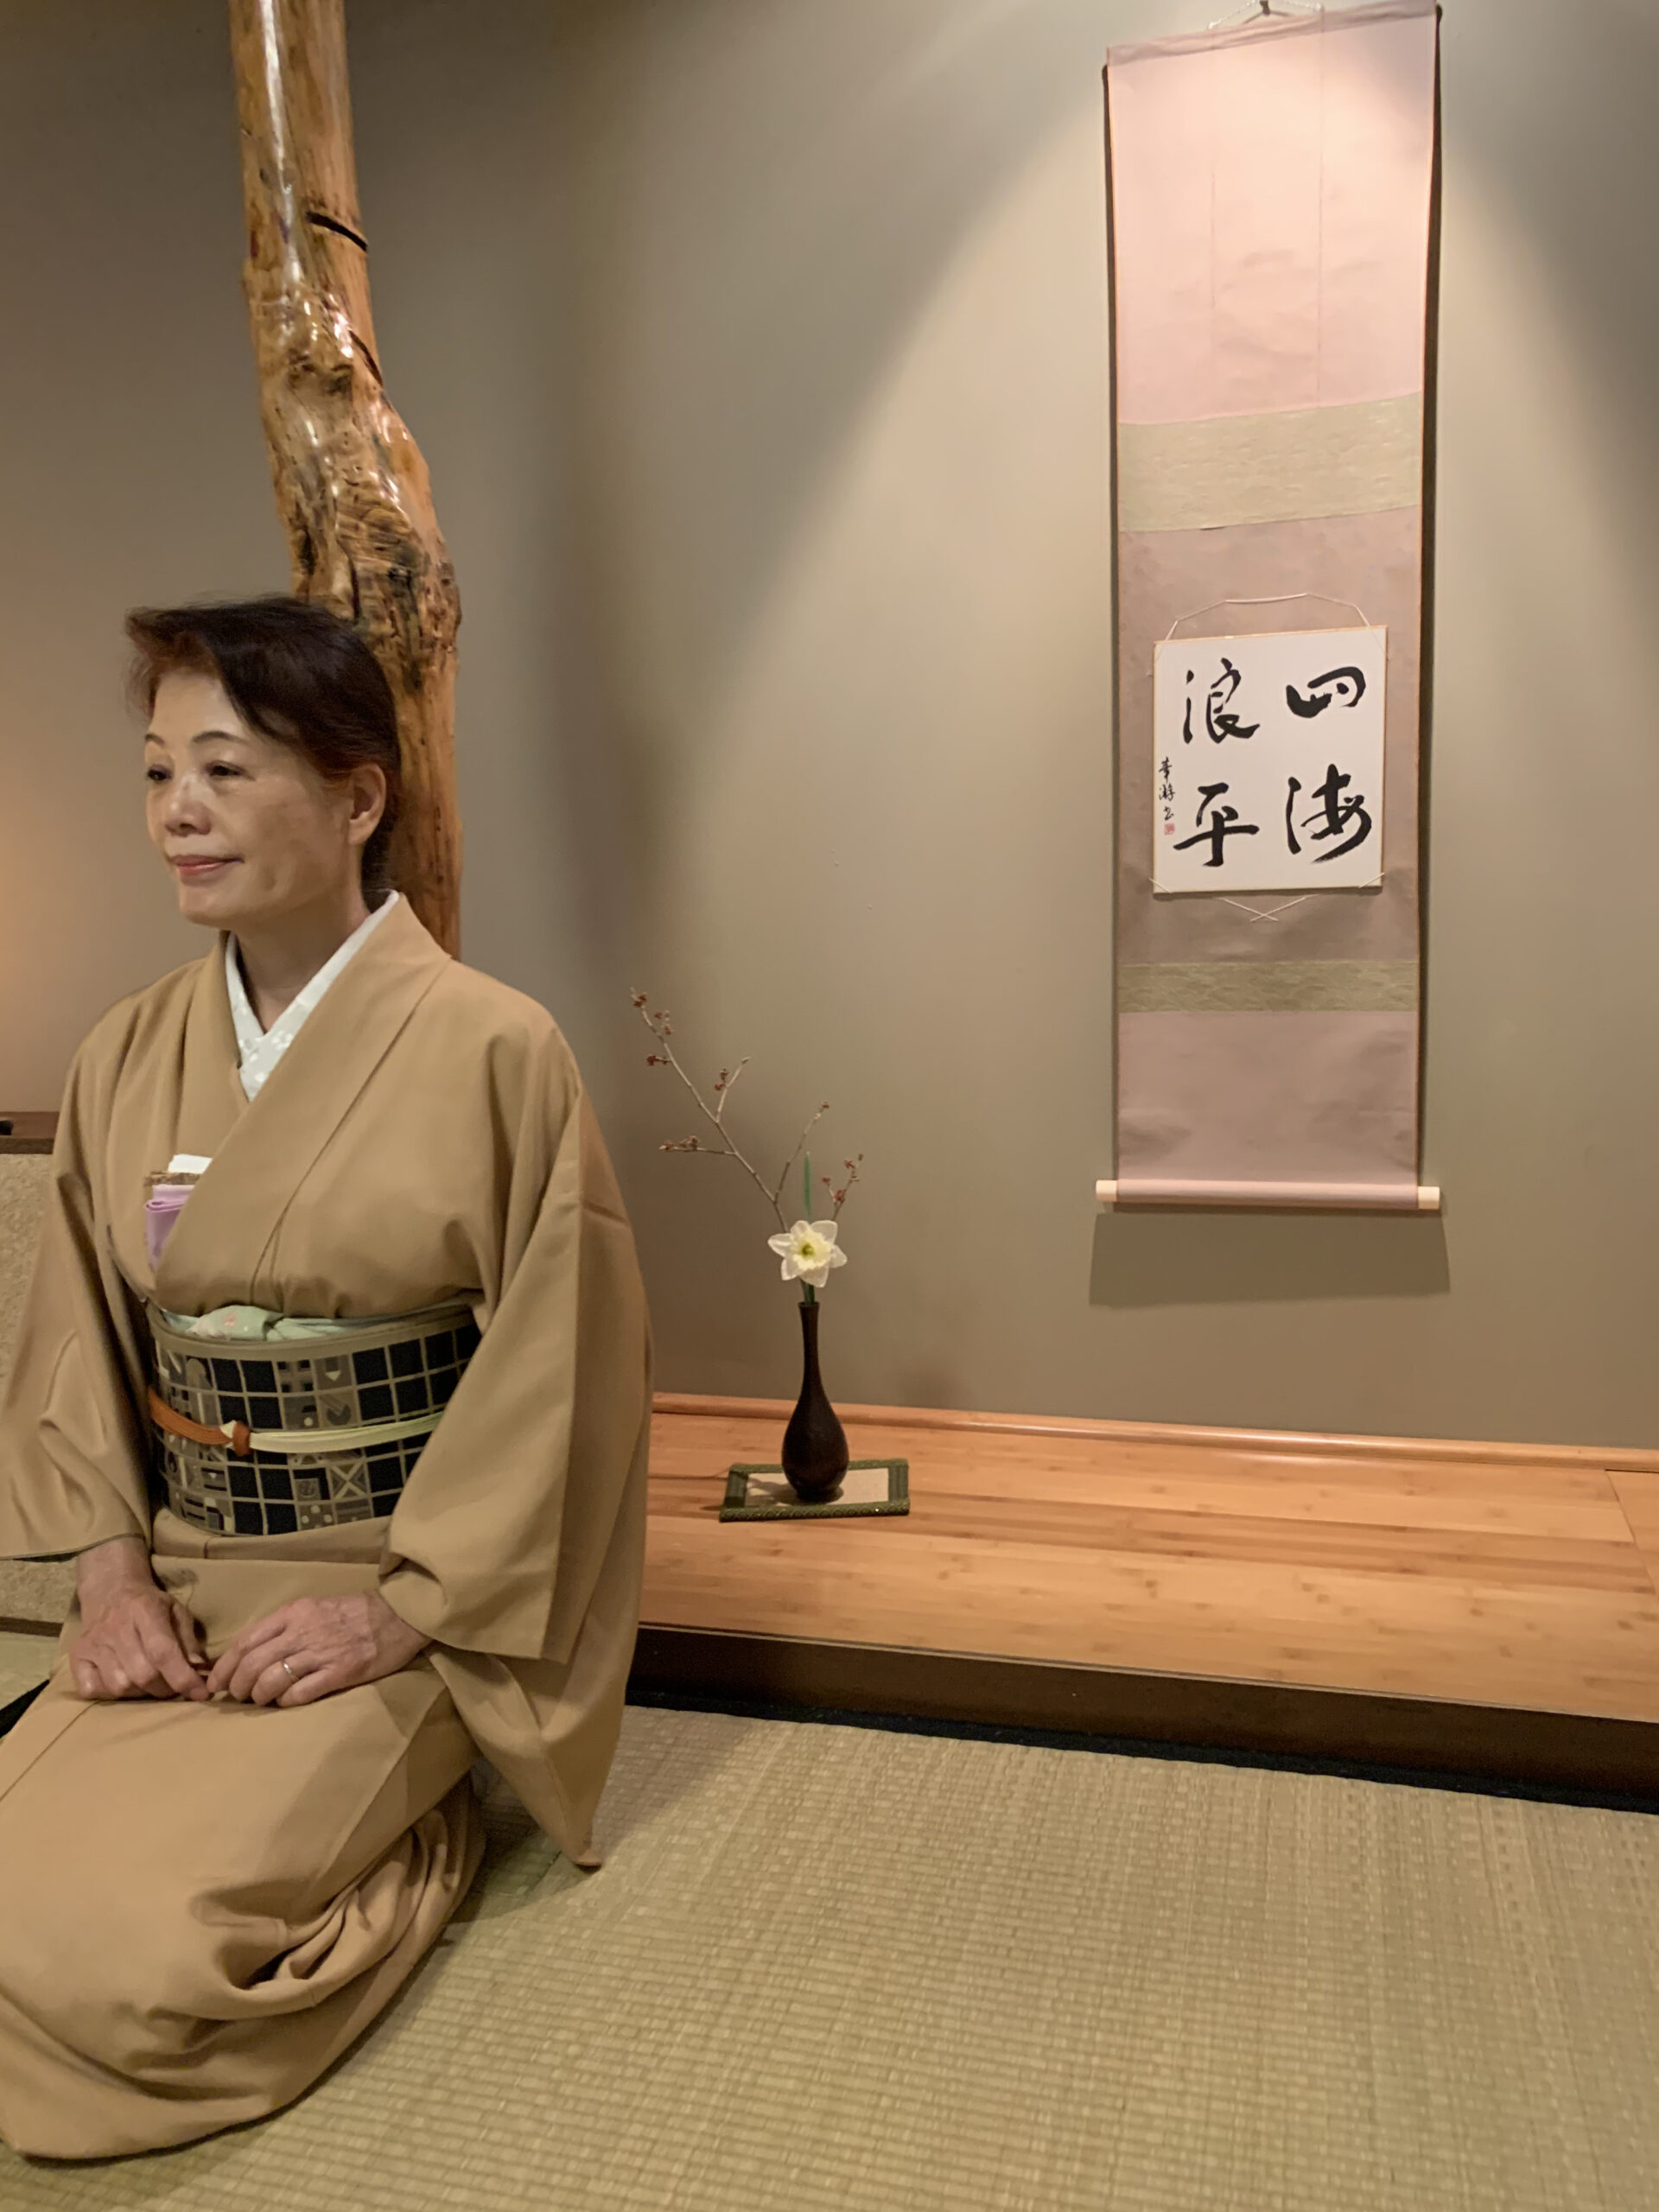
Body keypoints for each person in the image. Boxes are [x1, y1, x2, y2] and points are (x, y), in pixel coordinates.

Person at [0, 597, 652, 2159]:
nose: (179, 812)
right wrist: (108, 1578)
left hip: (393, 1589)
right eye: (158, 772)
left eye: (225, 769)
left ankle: (421, 1831)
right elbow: (77, 1338)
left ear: (360, 796)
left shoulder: (497, 1048)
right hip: (181, 1583)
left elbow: (566, 1374)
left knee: (140, 1970)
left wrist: (407, 1614)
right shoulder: (124, 1052)